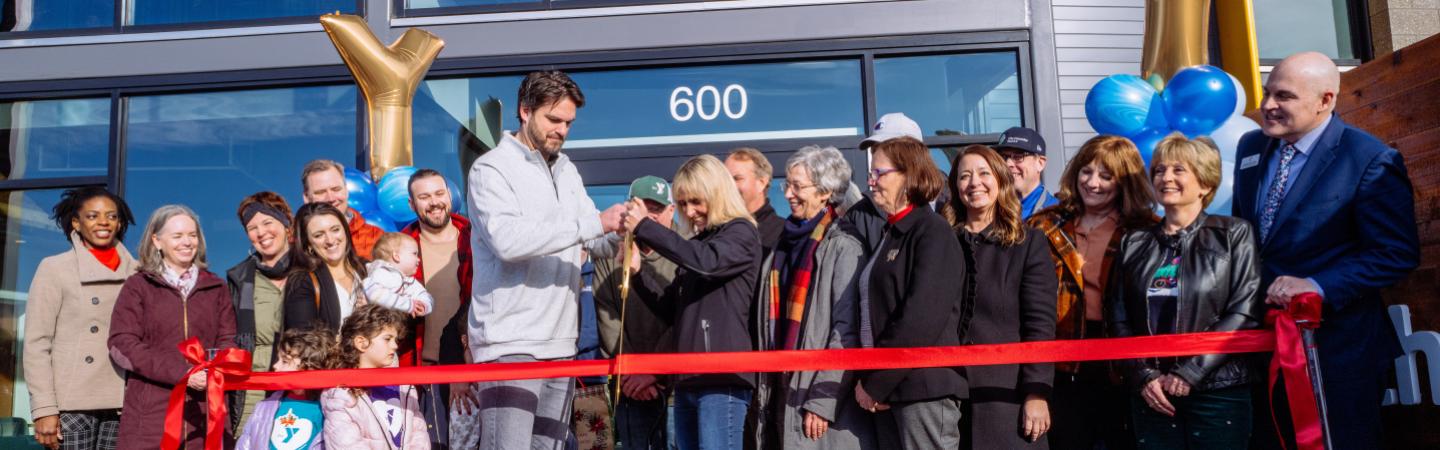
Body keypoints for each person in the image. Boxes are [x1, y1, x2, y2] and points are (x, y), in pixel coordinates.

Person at [1232, 52, 1419, 450]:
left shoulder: (1369, 159)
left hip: (1339, 351)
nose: (1267, 106)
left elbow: (1396, 252)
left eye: (1283, 96)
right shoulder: (1251, 148)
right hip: (1264, 346)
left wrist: (1316, 285)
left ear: (1325, 100)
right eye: (1267, 93)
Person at [466, 70, 625, 450]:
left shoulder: (568, 170)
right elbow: (507, 241)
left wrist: (627, 231)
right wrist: (594, 223)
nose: (562, 130)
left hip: (562, 341)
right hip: (510, 342)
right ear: (524, 111)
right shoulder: (490, 169)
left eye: (569, 122)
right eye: (553, 120)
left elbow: (594, 240)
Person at [1109, 134, 1262, 450]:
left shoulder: (1234, 233)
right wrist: (1144, 376)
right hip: (1152, 394)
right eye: (1160, 170)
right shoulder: (1133, 242)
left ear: (1205, 184)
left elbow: (1244, 312)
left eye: (1179, 170)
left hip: (1218, 391)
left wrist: (1190, 372)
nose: (1166, 177)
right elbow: (1119, 316)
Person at [619, 154, 762, 450]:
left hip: (723, 378)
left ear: (716, 192)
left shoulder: (741, 232)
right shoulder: (697, 244)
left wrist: (645, 226)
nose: (690, 211)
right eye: (683, 203)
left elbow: (707, 263)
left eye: (696, 201)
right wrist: (637, 274)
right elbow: (672, 309)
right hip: (688, 378)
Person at [1027, 136, 1157, 450]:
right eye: (1086, 172)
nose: (1093, 182)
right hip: (1062, 359)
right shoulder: (1044, 225)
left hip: (1124, 361)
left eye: (1106, 175)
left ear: (1125, 181)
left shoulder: (1146, 230)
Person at [751, 145, 875, 450]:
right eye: (787, 185)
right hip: (782, 387)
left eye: (797, 186)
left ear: (825, 191)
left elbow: (845, 332)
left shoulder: (844, 245)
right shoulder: (783, 246)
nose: (789, 194)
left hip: (818, 399)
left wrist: (821, 402)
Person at [852, 136, 966, 449]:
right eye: (870, 175)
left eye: (879, 173)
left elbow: (920, 319)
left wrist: (876, 383)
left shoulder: (932, 231)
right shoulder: (891, 234)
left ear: (909, 174)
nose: (870, 182)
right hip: (894, 391)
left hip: (923, 390)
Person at [941, 145, 1057, 448]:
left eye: (983, 173)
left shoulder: (1028, 242)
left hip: (1007, 395)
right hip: (949, 396)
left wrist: (1037, 393)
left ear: (1001, 180)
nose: (974, 183)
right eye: (964, 176)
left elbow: (1040, 324)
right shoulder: (941, 243)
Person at [108, 205, 237, 450]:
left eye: (192, 235)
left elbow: (228, 338)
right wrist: (182, 372)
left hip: (206, 413)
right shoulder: (138, 286)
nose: (187, 242)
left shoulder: (217, 287)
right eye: (177, 236)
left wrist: (215, 369)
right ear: (157, 241)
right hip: (152, 418)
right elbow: (122, 343)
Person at [24, 187, 137, 450]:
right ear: (76, 222)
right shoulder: (55, 268)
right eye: (93, 216)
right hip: (71, 406)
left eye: (111, 216)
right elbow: (37, 343)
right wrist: (44, 408)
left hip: (123, 401)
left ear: (119, 223)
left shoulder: (138, 272)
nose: (103, 223)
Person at [593, 175, 678, 450]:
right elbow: (607, 317)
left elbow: (684, 318)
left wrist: (654, 370)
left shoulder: (685, 248)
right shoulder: (612, 251)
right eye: (643, 208)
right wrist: (634, 370)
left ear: (671, 211)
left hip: (675, 386)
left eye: (657, 209)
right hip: (630, 385)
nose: (649, 217)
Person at [402, 168, 475, 449]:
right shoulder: (400, 248)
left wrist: (462, 369)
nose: (434, 202)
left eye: (438, 193)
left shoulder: (474, 239)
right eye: (424, 197)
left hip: (473, 370)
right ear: (412, 204)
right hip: (426, 373)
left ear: (449, 195)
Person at [226, 192, 297, 430]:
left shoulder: (310, 270)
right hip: (252, 391)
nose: (261, 232)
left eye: (268, 222)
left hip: (300, 388)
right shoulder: (240, 278)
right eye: (252, 227)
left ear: (286, 222)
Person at [321, 304, 430, 449]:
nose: (395, 346)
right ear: (361, 343)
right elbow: (346, 443)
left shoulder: (404, 386)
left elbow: (418, 432)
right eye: (387, 339)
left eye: (396, 340)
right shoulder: (341, 393)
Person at [236, 327, 337, 450]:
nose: (275, 365)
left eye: (284, 361)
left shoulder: (330, 409)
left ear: (308, 368)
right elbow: (246, 442)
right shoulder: (265, 407)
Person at [845, 112, 925, 255]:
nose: (878, 155)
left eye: (888, 147)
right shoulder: (857, 215)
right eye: (874, 149)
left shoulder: (943, 208)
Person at [284, 202, 369, 332]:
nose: (330, 240)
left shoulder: (367, 269)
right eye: (319, 235)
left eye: (335, 230)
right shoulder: (302, 282)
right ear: (308, 244)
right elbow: (303, 341)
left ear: (345, 231)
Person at [301, 159, 385, 260]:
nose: (331, 198)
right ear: (306, 197)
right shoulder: (296, 240)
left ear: (346, 191)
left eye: (336, 189)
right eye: (321, 192)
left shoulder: (376, 237)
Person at [726, 147, 784, 254]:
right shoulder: (717, 229)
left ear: (761, 183)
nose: (729, 186)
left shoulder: (782, 234)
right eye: (726, 179)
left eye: (737, 178)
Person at [364, 232, 434, 317]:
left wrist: (424, 305)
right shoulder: (382, 274)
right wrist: (408, 305)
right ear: (396, 256)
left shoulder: (407, 280)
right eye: (414, 254)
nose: (418, 259)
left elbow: (423, 294)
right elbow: (375, 295)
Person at [995, 126, 1058, 219]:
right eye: (1003, 157)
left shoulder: (1057, 213)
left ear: (1040, 163)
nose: (1007, 164)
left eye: (1018, 157)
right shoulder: (990, 210)